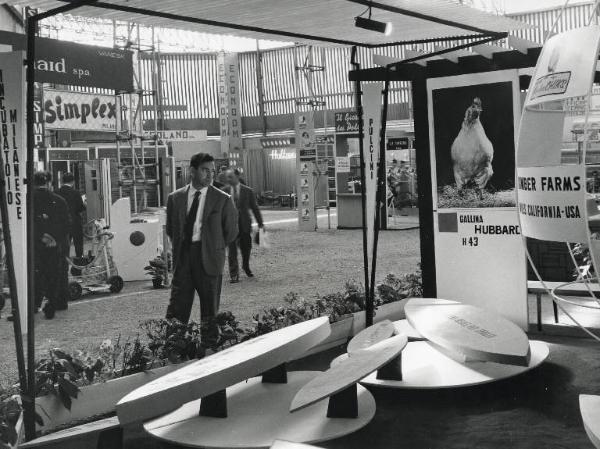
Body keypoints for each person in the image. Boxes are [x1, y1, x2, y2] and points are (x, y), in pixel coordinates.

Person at [166, 153, 238, 325]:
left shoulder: (222, 199)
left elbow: (231, 232)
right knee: (177, 308)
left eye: (212, 171)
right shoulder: (175, 198)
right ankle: (174, 347)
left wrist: (213, 246)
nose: (210, 175)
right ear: (192, 171)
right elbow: (171, 229)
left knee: (210, 310)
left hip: (210, 258)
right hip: (183, 258)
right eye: (205, 170)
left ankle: (210, 348)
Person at [33, 171, 70, 319]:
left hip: (35, 245)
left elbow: (26, 223)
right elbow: (67, 224)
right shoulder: (59, 200)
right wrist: (53, 237)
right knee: (54, 274)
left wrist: (40, 237)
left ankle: (34, 304)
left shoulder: (27, 200)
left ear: (33, 183)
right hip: (54, 245)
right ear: (49, 183)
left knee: (35, 274)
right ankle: (53, 304)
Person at [225, 168, 264, 283]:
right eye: (227, 177)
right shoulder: (223, 191)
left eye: (230, 176)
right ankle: (234, 274)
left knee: (246, 249)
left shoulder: (248, 191)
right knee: (231, 250)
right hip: (230, 226)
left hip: (244, 225)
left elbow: (254, 208)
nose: (228, 179)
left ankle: (245, 266)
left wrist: (261, 224)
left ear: (237, 176)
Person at [56, 173, 86, 258]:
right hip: (75, 222)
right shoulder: (75, 193)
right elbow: (80, 208)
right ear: (73, 182)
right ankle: (79, 262)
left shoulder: (57, 192)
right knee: (78, 244)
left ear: (62, 181)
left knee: (64, 245)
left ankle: (64, 262)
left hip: (62, 223)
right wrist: (84, 204)